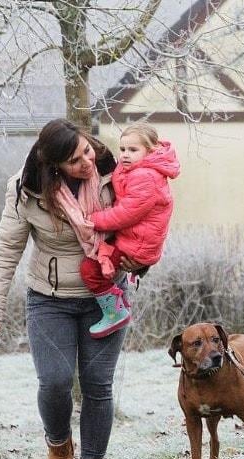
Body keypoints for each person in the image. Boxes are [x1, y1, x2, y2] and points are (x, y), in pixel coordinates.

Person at [0, 119, 129, 459]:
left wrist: (141, 258)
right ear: (53, 163)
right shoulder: (25, 189)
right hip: (50, 299)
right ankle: (59, 447)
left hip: (106, 297)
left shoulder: (116, 174)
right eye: (75, 160)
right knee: (55, 381)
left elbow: (147, 219)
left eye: (87, 150)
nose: (87, 162)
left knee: (97, 385)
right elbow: (6, 248)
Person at [80, 123, 179, 338]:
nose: (125, 155)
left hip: (137, 246)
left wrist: (92, 220)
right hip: (134, 240)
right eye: (122, 149)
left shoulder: (146, 177)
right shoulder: (135, 170)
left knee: (90, 270)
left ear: (151, 151)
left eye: (133, 150)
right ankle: (117, 302)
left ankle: (114, 311)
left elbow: (126, 214)